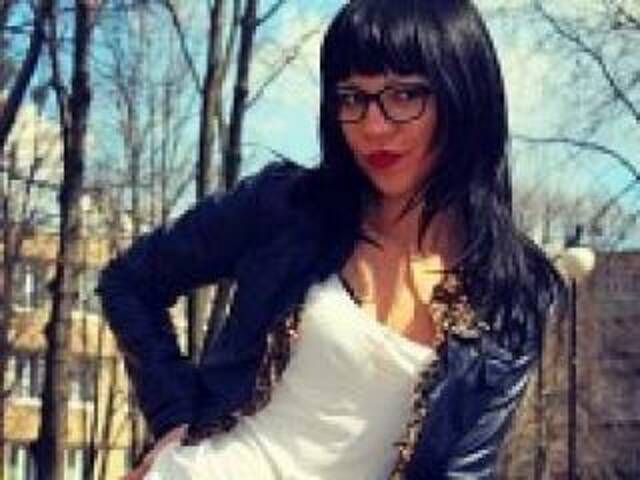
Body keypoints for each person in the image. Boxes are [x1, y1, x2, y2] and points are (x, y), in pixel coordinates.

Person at [98, 0, 565, 478]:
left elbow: (462, 470)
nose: (373, 126)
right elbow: (128, 282)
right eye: (352, 98)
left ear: (463, 96)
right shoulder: (287, 207)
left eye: (405, 95)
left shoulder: (513, 295)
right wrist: (176, 419)